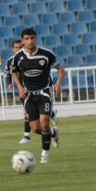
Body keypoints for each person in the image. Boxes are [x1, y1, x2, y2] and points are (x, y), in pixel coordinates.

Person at [10, 28, 65, 163]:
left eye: (32, 38)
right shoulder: (17, 57)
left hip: (44, 92)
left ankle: (44, 156)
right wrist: (19, 86)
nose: (30, 41)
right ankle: (53, 133)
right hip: (29, 95)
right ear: (23, 41)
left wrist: (58, 84)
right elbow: (14, 73)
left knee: (44, 124)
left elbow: (60, 69)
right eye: (27, 39)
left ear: (36, 38)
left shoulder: (46, 54)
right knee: (35, 128)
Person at [4, 39, 58, 144]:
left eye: (20, 47)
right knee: (27, 113)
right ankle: (51, 129)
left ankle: (26, 136)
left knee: (28, 112)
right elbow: (7, 72)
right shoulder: (12, 60)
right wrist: (9, 83)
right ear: (12, 49)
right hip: (24, 90)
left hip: (39, 88)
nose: (18, 49)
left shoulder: (32, 57)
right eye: (16, 47)